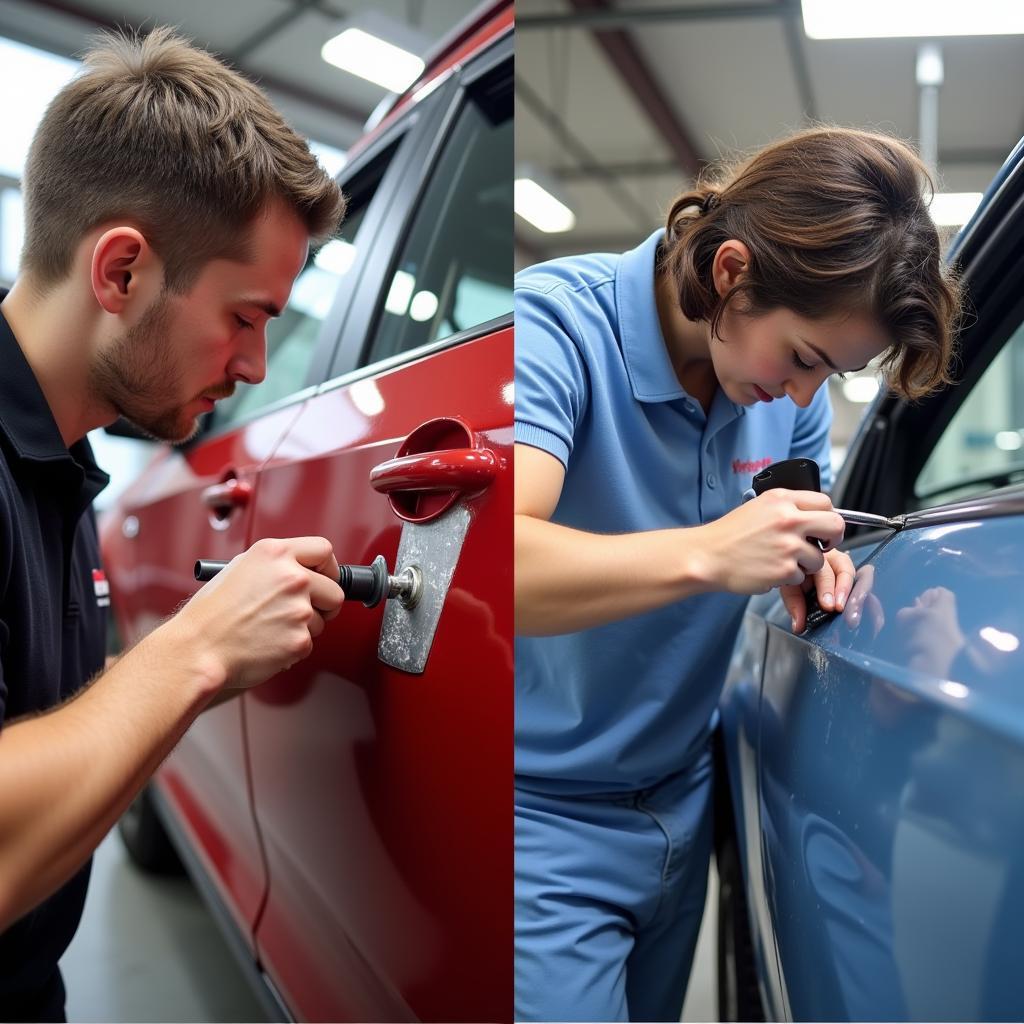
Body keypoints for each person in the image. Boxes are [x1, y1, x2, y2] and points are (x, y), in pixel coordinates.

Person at [514, 126, 962, 1022]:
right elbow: (497, 562)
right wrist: (712, 552)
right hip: (543, 820)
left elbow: (792, 548)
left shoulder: (780, 399)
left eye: (831, 376)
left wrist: (834, 584)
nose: (804, 402)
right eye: (802, 359)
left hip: (683, 805)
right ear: (731, 273)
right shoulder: (557, 323)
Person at [0, 27, 348, 1021]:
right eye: (244, 317)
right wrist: (194, 651)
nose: (254, 368)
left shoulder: (62, 464)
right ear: (121, 273)